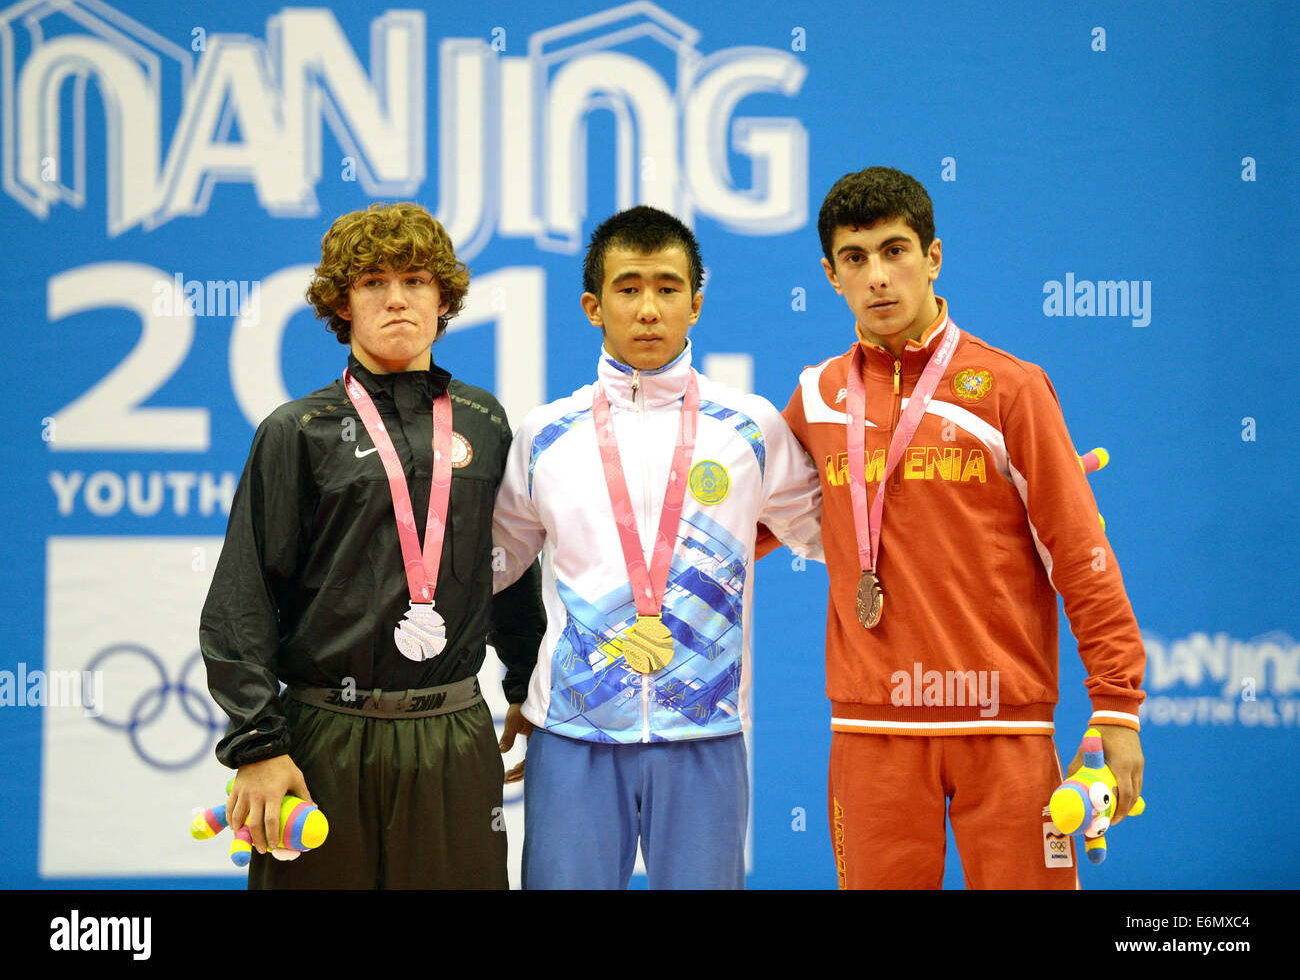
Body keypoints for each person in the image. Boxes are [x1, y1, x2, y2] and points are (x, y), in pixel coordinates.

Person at [778, 167, 1145, 889]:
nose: (878, 276)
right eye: (856, 258)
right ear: (830, 274)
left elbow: (1079, 552)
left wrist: (1117, 707)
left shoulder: (1011, 387)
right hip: (873, 733)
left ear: (934, 257)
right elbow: (751, 524)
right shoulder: (818, 396)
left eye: (896, 250)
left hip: (1003, 727)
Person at [199, 201, 543, 889]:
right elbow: (241, 600)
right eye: (372, 282)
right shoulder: (298, 430)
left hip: (451, 733)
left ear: (443, 296)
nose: (396, 299)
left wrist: (526, 686)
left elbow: (509, 570)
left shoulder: (485, 420)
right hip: (322, 737)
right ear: (340, 304)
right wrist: (257, 745)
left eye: (415, 280)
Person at [490, 206, 823, 889]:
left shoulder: (751, 428)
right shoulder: (544, 434)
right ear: (593, 305)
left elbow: (837, 535)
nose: (649, 309)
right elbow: (490, 569)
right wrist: (521, 684)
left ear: (696, 303)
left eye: (669, 288)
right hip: (573, 734)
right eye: (629, 287)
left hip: (705, 733)